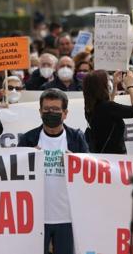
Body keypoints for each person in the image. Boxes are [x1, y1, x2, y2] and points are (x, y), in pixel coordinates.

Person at [18, 88, 88, 254]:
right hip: (35, 218)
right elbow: (15, 175)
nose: (51, 113)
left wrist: (76, 162)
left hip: (67, 216)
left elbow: (88, 172)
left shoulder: (76, 138)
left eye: (56, 110)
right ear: (40, 112)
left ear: (65, 113)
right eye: (47, 110)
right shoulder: (28, 139)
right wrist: (26, 160)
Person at [83, 70, 133, 154]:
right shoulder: (108, 107)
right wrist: (130, 86)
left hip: (102, 155)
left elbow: (108, 108)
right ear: (102, 86)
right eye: (107, 81)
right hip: (115, 157)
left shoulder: (89, 107)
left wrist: (115, 86)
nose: (109, 83)